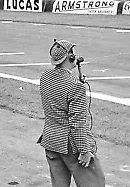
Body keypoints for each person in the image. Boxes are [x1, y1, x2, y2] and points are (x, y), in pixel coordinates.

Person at [38, 39, 105, 187]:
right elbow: (77, 123)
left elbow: (59, 90)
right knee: (94, 183)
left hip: (50, 140)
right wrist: (85, 150)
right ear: (70, 58)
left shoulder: (45, 77)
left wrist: (76, 81)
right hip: (70, 145)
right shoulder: (75, 86)